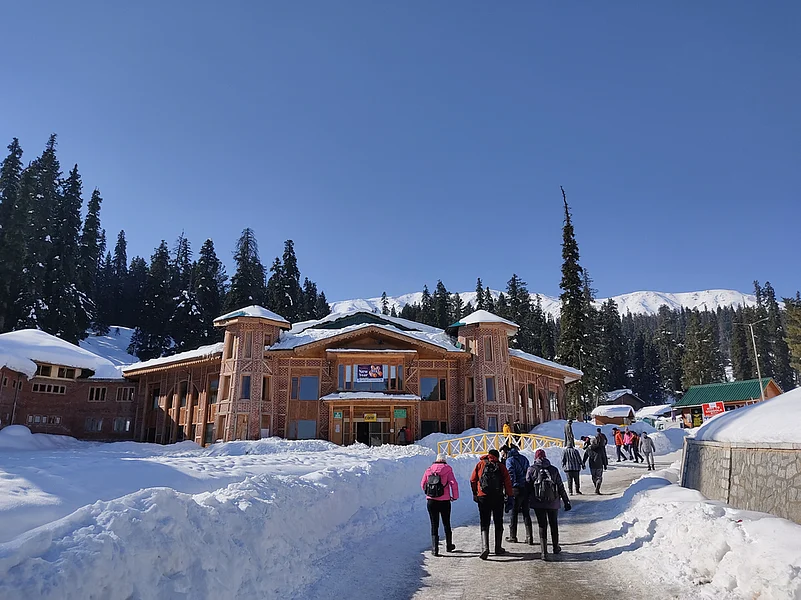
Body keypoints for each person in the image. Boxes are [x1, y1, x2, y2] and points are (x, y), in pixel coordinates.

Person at [527, 449, 571, 560]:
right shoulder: (553, 470)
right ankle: (556, 547)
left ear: (536, 457)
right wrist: (566, 501)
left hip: (538, 503)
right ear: (545, 457)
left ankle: (544, 552)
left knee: (542, 525)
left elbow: (527, 487)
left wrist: (525, 502)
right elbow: (560, 487)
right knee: (553, 524)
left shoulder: (532, 469)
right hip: (553, 502)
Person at [470, 448, 514, 560]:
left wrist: (475, 493)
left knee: (484, 522)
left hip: (483, 496)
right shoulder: (501, 466)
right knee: (498, 521)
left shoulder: (480, 464)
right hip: (497, 497)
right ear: (497, 457)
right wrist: (510, 495)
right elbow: (508, 482)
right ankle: (498, 548)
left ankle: (485, 548)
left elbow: (473, 480)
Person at [421, 454, 460, 556]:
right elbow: (453, 483)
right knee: (446, 522)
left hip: (431, 501)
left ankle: (435, 549)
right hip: (445, 501)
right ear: (444, 460)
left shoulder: (429, 470)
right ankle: (449, 545)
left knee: (434, 524)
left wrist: (429, 493)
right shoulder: (447, 469)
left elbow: (423, 484)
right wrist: (454, 496)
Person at [504, 444, 532, 544]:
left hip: (516, 489)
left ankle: (513, 536)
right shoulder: (524, 458)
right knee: (526, 512)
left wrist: (509, 489)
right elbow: (529, 472)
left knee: (514, 512)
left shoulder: (509, 460)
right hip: (525, 487)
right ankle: (529, 537)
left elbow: (511, 475)